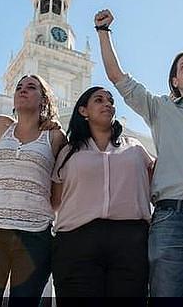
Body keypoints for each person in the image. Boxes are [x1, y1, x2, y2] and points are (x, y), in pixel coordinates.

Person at [94, 10, 183, 297]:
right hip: (174, 218)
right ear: (174, 80)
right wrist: (103, 32)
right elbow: (117, 78)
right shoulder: (160, 108)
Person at [0, 75, 66, 306]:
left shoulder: (56, 136)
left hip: (35, 236)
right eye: (19, 87)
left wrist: (31, 207)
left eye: (31, 87)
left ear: (44, 100)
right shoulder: (3, 126)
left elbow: (58, 195)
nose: (23, 90)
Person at [50, 86, 154, 301]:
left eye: (110, 100)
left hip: (130, 241)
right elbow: (55, 200)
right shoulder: (68, 152)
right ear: (83, 111)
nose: (107, 104)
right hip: (76, 242)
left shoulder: (135, 148)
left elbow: (160, 184)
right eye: (99, 100)